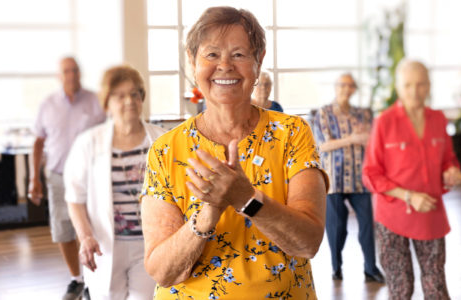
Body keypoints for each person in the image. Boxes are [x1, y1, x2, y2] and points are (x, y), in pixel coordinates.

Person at [141, 6, 328, 300]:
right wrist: (207, 214)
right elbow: (162, 272)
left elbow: (308, 242)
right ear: (192, 62)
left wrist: (246, 199)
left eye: (239, 54)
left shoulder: (291, 133)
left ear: (258, 61)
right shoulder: (166, 151)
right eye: (211, 54)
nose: (225, 65)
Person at [363, 59, 461, 299]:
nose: (414, 91)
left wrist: (452, 172)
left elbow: (448, 159)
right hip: (392, 216)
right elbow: (371, 174)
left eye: (420, 84)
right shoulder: (384, 122)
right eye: (408, 85)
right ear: (399, 87)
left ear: (429, 86)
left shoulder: (438, 119)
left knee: (436, 287)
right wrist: (408, 196)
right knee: (401, 288)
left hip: (431, 213)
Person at [64, 65, 164, 299]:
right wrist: (85, 236)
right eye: (120, 96)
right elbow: (74, 198)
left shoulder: (161, 140)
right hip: (105, 245)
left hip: (151, 244)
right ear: (107, 103)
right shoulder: (89, 142)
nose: (129, 101)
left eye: (135, 94)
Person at [29, 56, 105, 300]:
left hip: (91, 179)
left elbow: (109, 136)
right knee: (63, 230)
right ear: (58, 76)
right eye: (66, 71)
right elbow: (38, 142)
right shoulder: (48, 104)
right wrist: (34, 179)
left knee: (93, 228)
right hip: (58, 177)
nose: (71, 75)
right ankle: (77, 279)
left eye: (75, 70)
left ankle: (95, 280)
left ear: (80, 73)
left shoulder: (95, 101)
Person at [313, 73, 385, 283]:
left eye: (350, 86)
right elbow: (322, 145)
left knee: (367, 226)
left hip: (360, 178)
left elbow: (374, 140)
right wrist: (353, 139)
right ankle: (336, 267)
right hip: (334, 179)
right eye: (342, 85)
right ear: (336, 87)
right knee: (337, 228)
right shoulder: (323, 114)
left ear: (354, 89)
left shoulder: (363, 114)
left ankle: (371, 268)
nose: (346, 89)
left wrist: (365, 140)